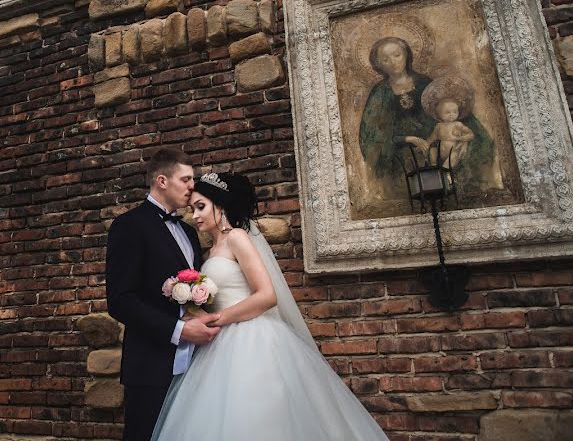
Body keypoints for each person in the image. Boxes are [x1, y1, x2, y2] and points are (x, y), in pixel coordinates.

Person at [151, 172, 389, 441]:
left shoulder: (237, 237)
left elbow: (266, 296)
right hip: (218, 344)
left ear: (220, 205)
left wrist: (218, 317)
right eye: (192, 209)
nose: (194, 216)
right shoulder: (208, 252)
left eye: (201, 206)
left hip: (253, 338)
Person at [106, 148, 221, 441]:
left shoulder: (189, 231)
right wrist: (180, 330)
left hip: (196, 364)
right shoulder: (128, 226)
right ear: (161, 181)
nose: (191, 187)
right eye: (185, 179)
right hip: (150, 364)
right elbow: (120, 300)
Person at [358, 36, 435, 196]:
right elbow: (372, 135)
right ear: (378, 65)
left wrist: (431, 140)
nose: (393, 62)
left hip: (433, 145)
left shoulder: (424, 82)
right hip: (397, 155)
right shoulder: (380, 92)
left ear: (406, 55)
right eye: (385, 59)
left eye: (397, 55)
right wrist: (408, 139)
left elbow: (442, 115)